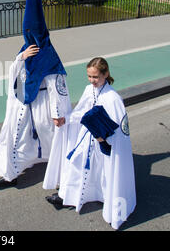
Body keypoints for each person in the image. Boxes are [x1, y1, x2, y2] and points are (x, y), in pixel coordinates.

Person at [0, 0, 71, 188]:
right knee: (16, 139)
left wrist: (57, 114)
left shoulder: (49, 55)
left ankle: (61, 176)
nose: (29, 37)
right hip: (24, 104)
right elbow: (15, 74)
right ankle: (10, 173)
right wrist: (20, 59)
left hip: (43, 106)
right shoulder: (26, 50)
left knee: (51, 140)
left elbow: (58, 86)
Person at [45, 57, 136, 230]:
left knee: (101, 172)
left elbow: (118, 127)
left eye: (96, 77)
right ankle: (66, 196)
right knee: (75, 164)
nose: (92, 81)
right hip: (87, 138)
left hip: (104, 143)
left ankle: (104, 199)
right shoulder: (89, 90)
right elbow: (82, 111)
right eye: (89, 76)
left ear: (106, 74)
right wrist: (67, 119)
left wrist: (104, 140)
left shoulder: (113, 98)